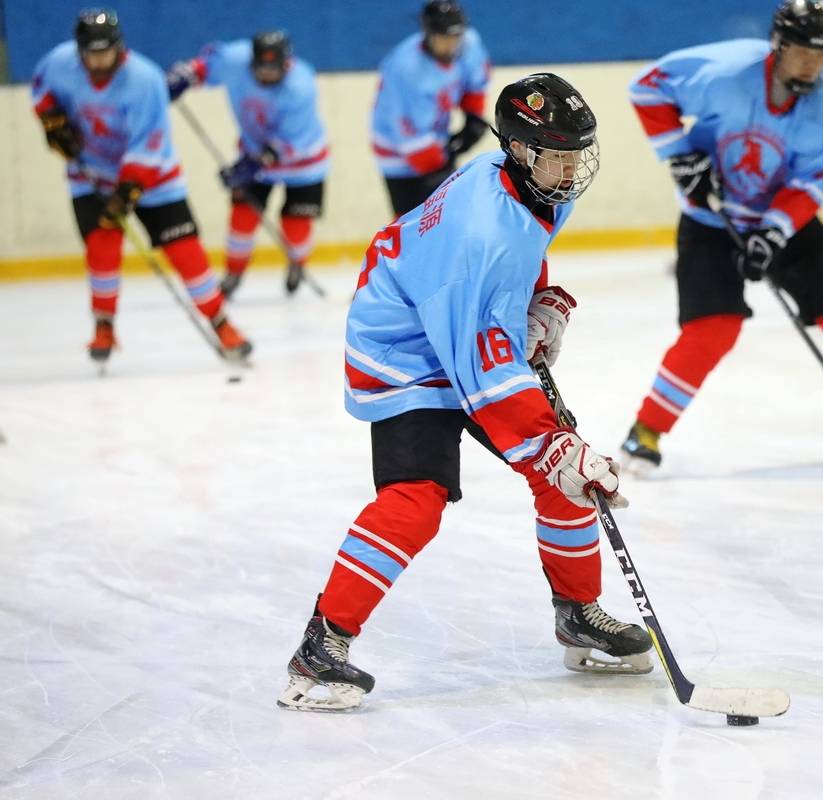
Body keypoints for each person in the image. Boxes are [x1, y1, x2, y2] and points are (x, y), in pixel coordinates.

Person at [279, 73, 651, 712]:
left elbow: (521, 253)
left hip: (457, 319)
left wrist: (534, 301)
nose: (569, 168)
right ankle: (322, 646)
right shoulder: (479, 235)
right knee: (417, 496)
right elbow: (478, 369)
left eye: (574, 153)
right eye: (556, 154)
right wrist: (551, 443)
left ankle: (578, 613)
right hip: (404, 349)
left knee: (558, 469)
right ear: (520, 148)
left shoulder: (528, 180)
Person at [619, 0, 823, 477]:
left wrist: (774, 232)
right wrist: (680, 156)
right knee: (713, 329)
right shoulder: (727, 71)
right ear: (778, 47)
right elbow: (646, 89)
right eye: (803, 52)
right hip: (711, 221)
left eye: (822, 54)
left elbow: (813, 184)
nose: (813, 64)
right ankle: (645, 432)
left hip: (784, 224)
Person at [31, 8, 251, 365]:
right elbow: (41, 92)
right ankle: (104, 327)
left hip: (155, 179)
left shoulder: (145, 80)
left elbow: (149, 145)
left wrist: (127, 191)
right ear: (79, 50)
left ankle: (221, 323)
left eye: (105, 52)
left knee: (186, 252)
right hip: (91, 174)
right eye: (91, 53)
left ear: (120, 47)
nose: (99, 60)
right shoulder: (59, 63)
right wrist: (51, 121)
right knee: (101, 248)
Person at [167, 30, 330, 298]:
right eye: (260, 69)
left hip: (303, 160)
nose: (266, 76)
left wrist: (254, 165)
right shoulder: (235, 59)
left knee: (296, 221)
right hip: (255, 151)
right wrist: (188, 75)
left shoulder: (301, 84)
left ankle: (296, 263)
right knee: (243, 215)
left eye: (273, 71)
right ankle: (233, 273)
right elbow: (205, 66)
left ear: (286, 64)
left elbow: (290, 142)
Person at [372, 0, 491, 219]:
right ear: (428, 33)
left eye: (455, 37)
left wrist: (473, 118)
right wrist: (441, 167)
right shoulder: (405, 70)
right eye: (443, 38)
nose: (451, 45)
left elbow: (475, 81)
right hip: (396, 149)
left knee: (449, 215)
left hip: (434, 136)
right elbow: (407, 135)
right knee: (411, 223)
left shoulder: (469, 43)